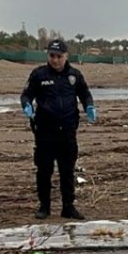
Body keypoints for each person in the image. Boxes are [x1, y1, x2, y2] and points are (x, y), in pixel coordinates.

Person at [21, 38, 95, 220]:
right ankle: (44, 207)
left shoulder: (75, 75)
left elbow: (85, 94)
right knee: (44, 170)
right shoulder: (39, 75)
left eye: (58, 56)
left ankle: (68, 207)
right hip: (45, 132)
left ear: (65, 56)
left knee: (67, 170)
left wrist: (90, 107)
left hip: (68, 132)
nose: (55, 60)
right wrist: (27, 106)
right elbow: (26, 95)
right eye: (52, 56)